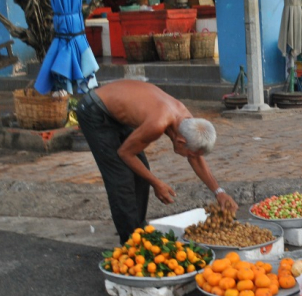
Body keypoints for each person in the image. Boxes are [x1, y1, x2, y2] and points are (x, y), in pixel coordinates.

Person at [76, 81, 238, 244]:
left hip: (116, 112)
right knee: (121, 178)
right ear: (180, 141)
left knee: (141, 173)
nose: (191, 157)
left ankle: (138, 231)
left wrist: (219, 191)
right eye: (190, 153)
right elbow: (125, 153)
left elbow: (195, 156)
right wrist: (156, 183)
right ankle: (131, 243)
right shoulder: (158, 123)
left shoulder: (188, 121)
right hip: (95, 111)